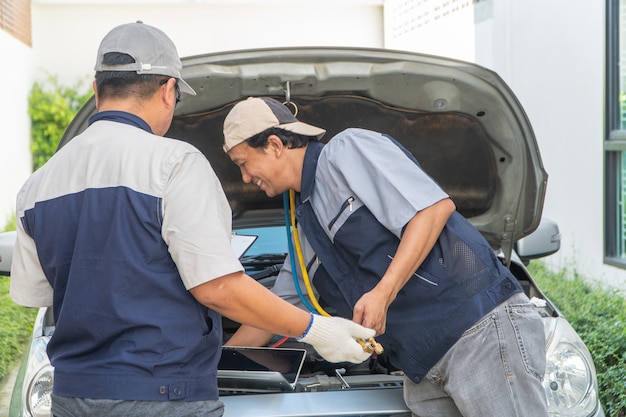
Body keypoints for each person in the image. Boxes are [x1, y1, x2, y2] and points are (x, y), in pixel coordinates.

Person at [9, 23, 375, 417]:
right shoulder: (174, 164)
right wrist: (316, 330)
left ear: (97, 90)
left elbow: (42, 297)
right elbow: (216, 287)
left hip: (70, 399)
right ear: (168, 90)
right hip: (166, 396)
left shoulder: (36, 187)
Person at [222, 96, 549, 417]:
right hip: (421, 368)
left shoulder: (346, 152)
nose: (246, 178)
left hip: (477, 333)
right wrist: (217, 368)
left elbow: (433, 209)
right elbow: (272, 310)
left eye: (243, 164)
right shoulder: (306, 226)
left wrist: (383, 292)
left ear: (276, 145)